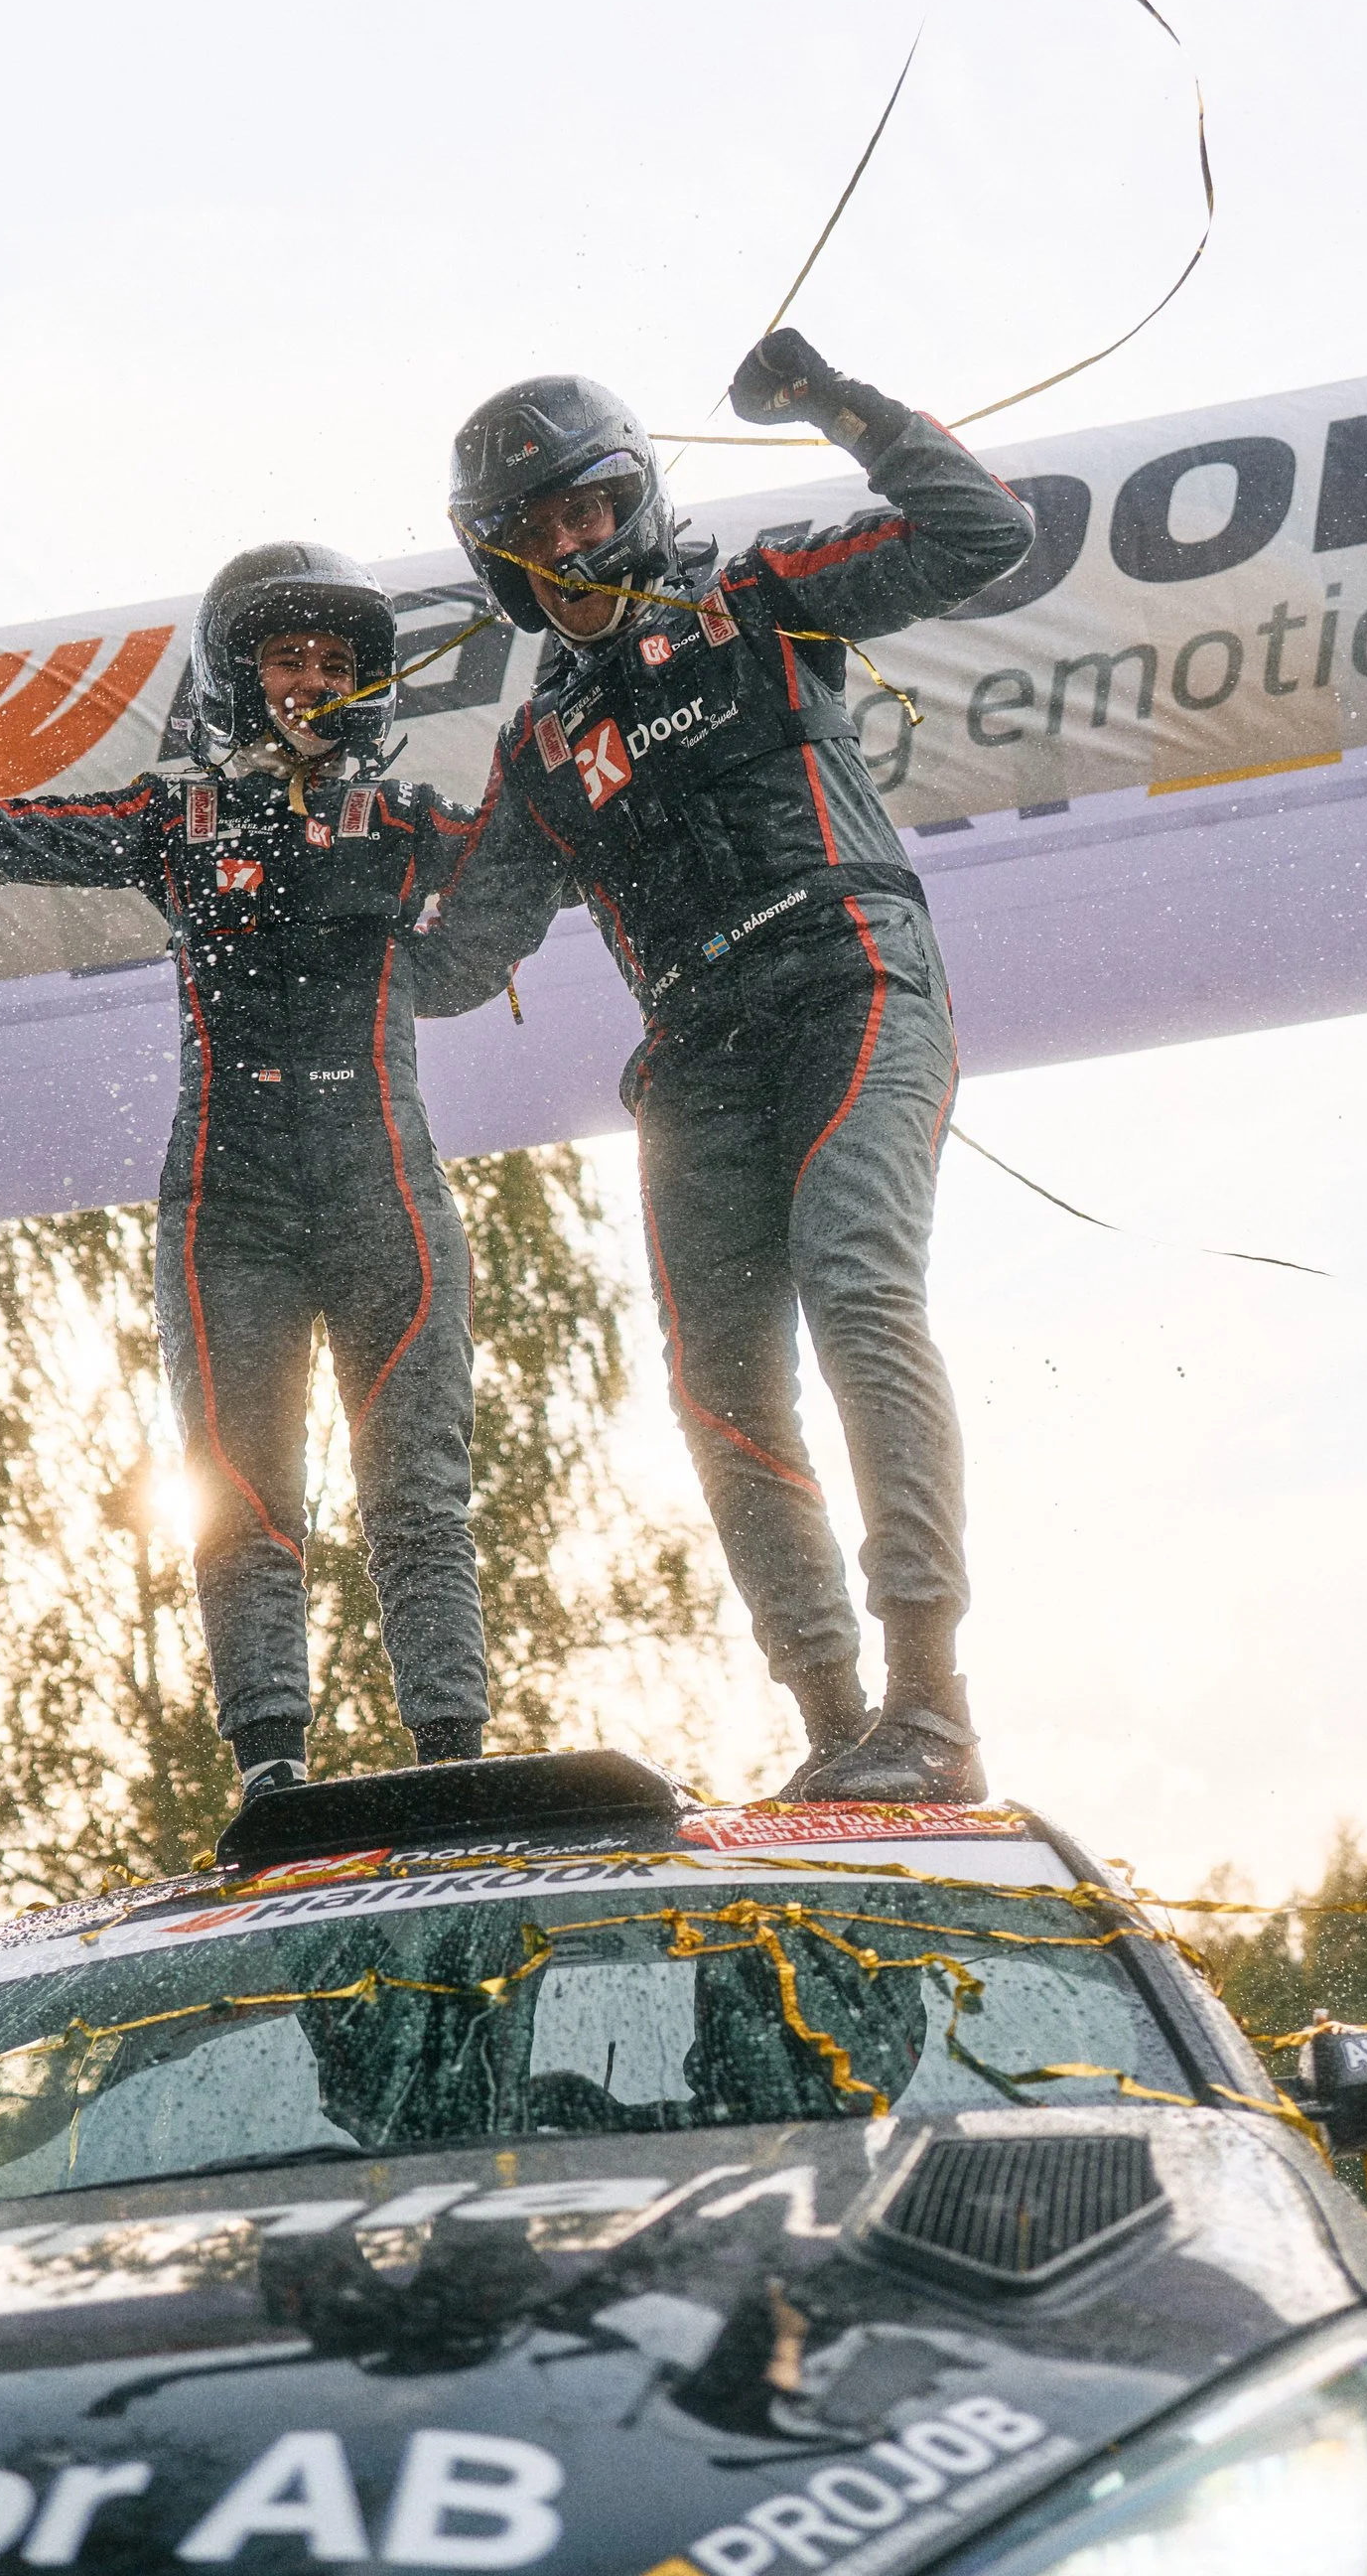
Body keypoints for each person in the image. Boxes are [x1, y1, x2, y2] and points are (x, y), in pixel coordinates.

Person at [424, 331, 1034, 1804]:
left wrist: (835, 403)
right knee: (717, 1381)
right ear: (510, 570)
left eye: (591, 508)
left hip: (850, 981)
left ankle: (932, 1703)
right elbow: (451, 965)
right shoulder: (539, 748)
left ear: (634, 498)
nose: (573, 545)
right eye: (539, 535)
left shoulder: (758, 602)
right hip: (696, 1054)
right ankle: (837, 1730)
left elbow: (982, 530)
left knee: (857, 1282)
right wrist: (355, 882)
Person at [0, 550, 488, 1827]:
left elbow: (544, 857)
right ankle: (272, 1766)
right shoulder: (171, 822)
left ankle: (451, 1746)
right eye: (287, 658)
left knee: (416, 1492)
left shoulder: (408, 828)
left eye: (336, 663)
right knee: (239, 1491)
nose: (312, 678)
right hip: (223, 1213)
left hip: (383, 1192)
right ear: (238, 678)